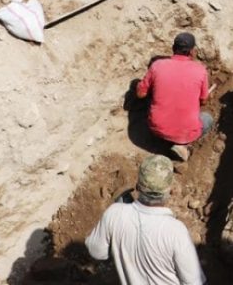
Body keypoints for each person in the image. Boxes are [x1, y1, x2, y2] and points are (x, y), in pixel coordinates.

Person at [86, 154, 206, 285]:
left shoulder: (114, 213)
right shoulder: (175, 231)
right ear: (170, 191)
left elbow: (97, 252)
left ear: (138, 187)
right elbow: (194, 282)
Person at [136, 32, 213, 162]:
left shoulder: (157, 65)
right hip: (185, 133)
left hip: (156, 128)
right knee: (207, 119)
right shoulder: (200, 70)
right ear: (193, 51)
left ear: (173, 48)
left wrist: (141, 85)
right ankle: (183, 145)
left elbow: (140, 94)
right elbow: (204, 101)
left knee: (152, 96)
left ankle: (165, 140)